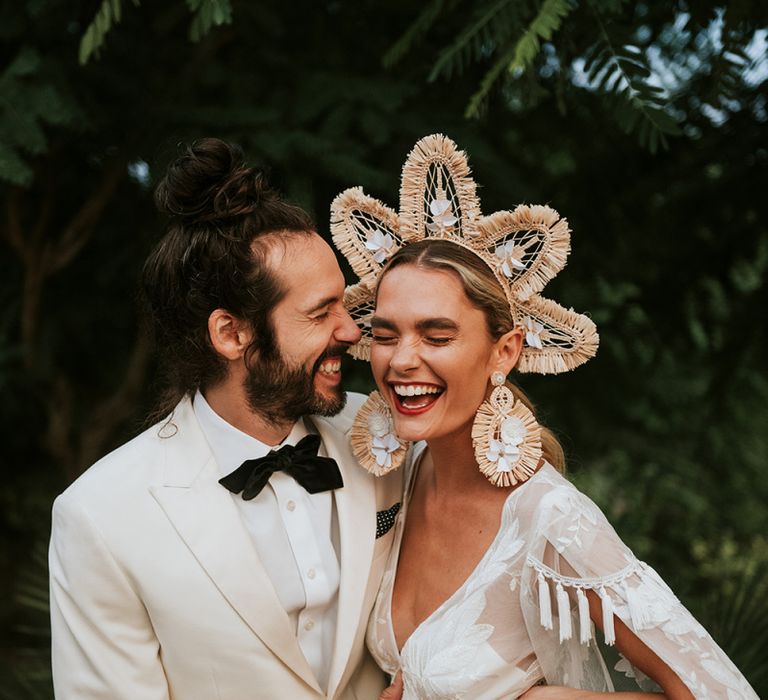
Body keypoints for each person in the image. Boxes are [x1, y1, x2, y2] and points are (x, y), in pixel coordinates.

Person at [330, 134, 758, 699]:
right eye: (386, 335)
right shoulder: (399, 475)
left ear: (503, 352)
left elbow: (720, 692)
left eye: (437, 335)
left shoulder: (553, 520)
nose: (402, 360)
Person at [49, 138, 402, 699]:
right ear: (231, 333)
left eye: (344, 303)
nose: (351, 330)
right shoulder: (99, 517)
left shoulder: (389, 434)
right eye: (320, 313)